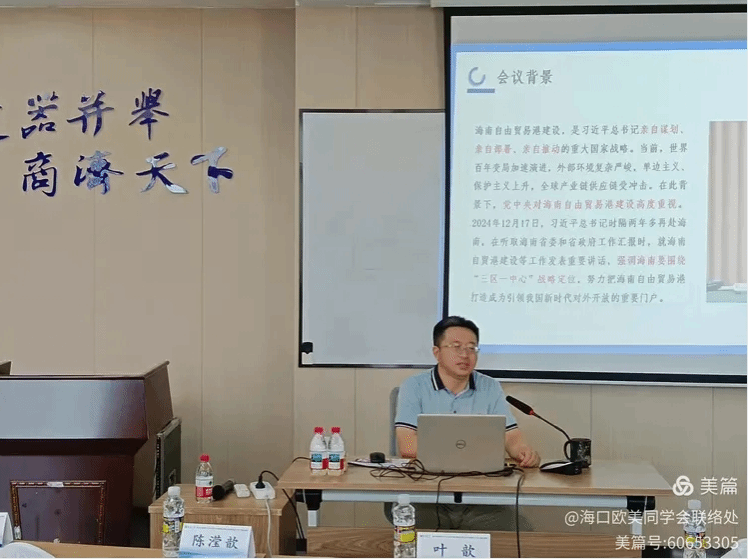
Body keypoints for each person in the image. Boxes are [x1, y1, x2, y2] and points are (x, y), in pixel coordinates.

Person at [391, 315, 540, 530]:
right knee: (418, 525)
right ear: (437, 352)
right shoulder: (414, 387)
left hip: (480, 494)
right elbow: (407, 445)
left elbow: (510, 436)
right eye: (456, 347)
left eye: (472, 348)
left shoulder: (490, 386)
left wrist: (523, 451)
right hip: (425, 492)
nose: (465, 355)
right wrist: (465, 452)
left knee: (521, 533)